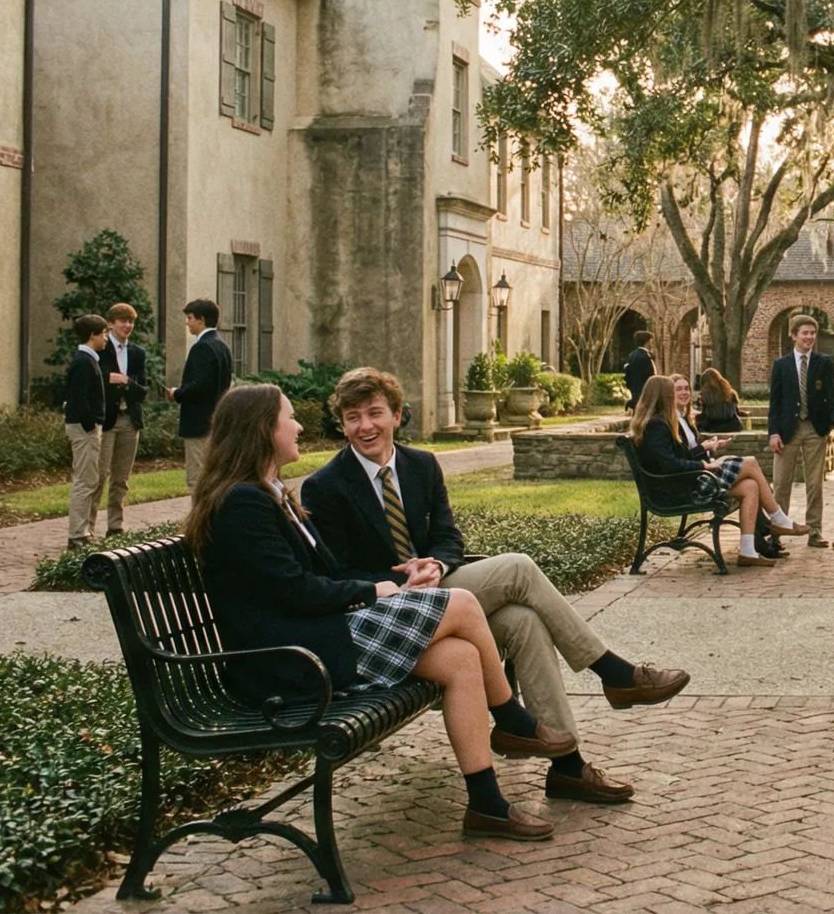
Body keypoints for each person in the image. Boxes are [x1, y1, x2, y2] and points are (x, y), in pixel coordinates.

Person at [303, 368, 688, 805]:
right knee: (519, 569)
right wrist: (400, 579)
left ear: (396, 415)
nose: (365, 426)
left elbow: (448, 538)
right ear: (342, 424)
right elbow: (339, 573)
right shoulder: (325, 486)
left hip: (440, 589)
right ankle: (613, 673)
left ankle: (568, 767)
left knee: (523, 621)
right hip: (389, 613)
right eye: (352, 417)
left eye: (374, 413)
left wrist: (437, 565)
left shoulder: (421, 465)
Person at [189, 384, 553, 840]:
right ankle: (511, 718)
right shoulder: (243, 502)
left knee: (461, 658)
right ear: (263, 430)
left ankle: (486, 804)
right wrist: (374, 591)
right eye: (289, 417)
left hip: (314, 637)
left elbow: (311, 580)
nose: (298, 426)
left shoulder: (267, 492)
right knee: (460, 602)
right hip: (288, 661)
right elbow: (295, 590)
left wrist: (380, 589)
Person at [632, 374, 806, 567]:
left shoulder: (660, 422)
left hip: (688, 481)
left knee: (750, 486)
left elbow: (677, 457)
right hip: (682, 489)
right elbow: (668, 465)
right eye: (672, 393)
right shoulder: (657, 425)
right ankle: (777, 518)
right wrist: (703, 465)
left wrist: (705, 454)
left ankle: (748, 551)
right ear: (662, 396)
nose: (676, 396)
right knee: (750, 463)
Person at [767, 315, 834, 547]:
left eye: (812, 333)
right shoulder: (781, 365)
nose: (809, 337)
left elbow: (831, 396)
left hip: (814, 429)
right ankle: (776, 532)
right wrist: (774, 433)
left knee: (814, 483)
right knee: (781, 483)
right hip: (787, 430)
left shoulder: (824, 362)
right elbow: (775, 402)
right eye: (804, 333)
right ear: (793, 335)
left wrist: (828, 425)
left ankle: (815, 531)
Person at [95, 302, 149, 540]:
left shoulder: (137, 353)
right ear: (110, 324)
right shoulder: (100, 350)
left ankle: (115, 527)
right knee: (99, 476)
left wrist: (124, 381)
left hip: (130, 421)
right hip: (107, 421)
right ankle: (86, 528)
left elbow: (143, 391)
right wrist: (112, 379)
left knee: (121, 479)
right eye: (122, 321)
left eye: (131, 322)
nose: (127, 325)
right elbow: (97, 382)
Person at [169, 298, 232, 490]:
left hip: (199, 424)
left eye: (190, 318)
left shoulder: (202, 347)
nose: (187, 323)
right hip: (216, 421)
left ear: (201, 320)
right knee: (214, 478)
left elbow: (200, 386)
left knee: (197, 480)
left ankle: (201, 512)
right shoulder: (222, 346)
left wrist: (177, 393)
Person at [63, 315, 110, 550]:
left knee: (89, 479)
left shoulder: (87, 360)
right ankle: (77, 535)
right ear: (92, 335)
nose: (107, 338)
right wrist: (91, 426)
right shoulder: (84, 362)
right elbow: (79, 400)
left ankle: (82, 532)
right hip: (84, 429)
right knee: (85, 480)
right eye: (104, 333)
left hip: (85, 427)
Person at [673, 375, 731, 456]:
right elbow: (680, 457)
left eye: (687, 389)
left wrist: (712, 446)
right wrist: (704, 447)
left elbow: (694, 450)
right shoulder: (669, 422)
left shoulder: (686, 418)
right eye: (678, 389)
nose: (684, 392)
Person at [693, 368, 746, 432]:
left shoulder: (705, 394)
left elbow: (705, 414)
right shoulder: (731, 392)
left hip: (714, 425)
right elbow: (735, 411)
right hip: (733, 425)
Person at [623, 330, 655, 410]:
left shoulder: (632, 355)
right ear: (647, 342)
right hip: (645, 394)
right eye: (651, 341)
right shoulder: (645, 357)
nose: (652, 343)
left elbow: (627, 375)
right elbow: (649, 376)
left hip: (635, 392)